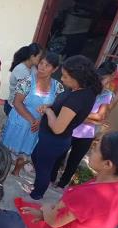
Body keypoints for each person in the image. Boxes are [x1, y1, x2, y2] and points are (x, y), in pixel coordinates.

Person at [29, 55, 102, 200]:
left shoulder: (78, 98)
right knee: (36, 157)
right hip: (52, 140)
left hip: (54, 140)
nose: (62, 79)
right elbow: (61, 107)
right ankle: (41, 182)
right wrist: (50, 106)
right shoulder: (80, 89)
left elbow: (57, 128)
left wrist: (48, 111)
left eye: (66, 76)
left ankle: (37, 194)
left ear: (79, 78)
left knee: (44, 168)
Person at [51, 61, 118, 188]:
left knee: (74, 162)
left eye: (107, 80)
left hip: (86, 135)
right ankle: (51, 179)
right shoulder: (83, 89)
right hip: (70, 129)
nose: (103, 82)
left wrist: (77, 115)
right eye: (102, 78)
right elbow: (95, 117)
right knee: (59, 155)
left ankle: (61, 184)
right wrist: (92, 118)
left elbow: (101, 117)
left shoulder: (106, 95)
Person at [2, 52, 63, 176]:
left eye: (47, 65)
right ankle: (1, 170)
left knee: (26, 152)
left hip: (37, 125)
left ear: (55, 69)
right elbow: (17, 103)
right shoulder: (27, 81)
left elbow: (56, 108)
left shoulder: (57, 87)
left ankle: (16, 172)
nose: (42, 67)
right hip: (21, 120)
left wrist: (40, 122)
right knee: (8, 149)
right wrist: (32, 120)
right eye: (41, 63)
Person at [5, 43, 43, 116]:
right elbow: (27, 91)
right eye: (39, 57)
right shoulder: (21, 69)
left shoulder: (33, 67)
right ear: (32, 57)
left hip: (23, 105)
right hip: (14, 107)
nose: (41, 60)